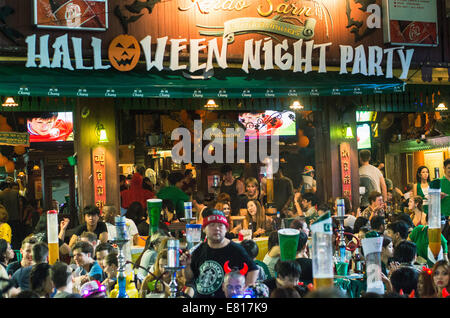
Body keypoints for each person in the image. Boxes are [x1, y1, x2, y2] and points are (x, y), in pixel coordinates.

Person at [179, 209, 258, 298]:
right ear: (204, 229)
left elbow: (253, 270)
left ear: (226, 229)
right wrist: (187, 266)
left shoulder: (236, 250)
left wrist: (244, 291)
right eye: (212, 225)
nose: (217, 228)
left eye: (220, 225)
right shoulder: (199, 250)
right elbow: (189, 278)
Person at [0, 181, 23, 249]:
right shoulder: (16, 193)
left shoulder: (1, 194)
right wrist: (20, 217)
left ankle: (9, 250)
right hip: (16, 218)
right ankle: (16, 250)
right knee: (16, 237)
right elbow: (20, 205)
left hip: (5, 219)